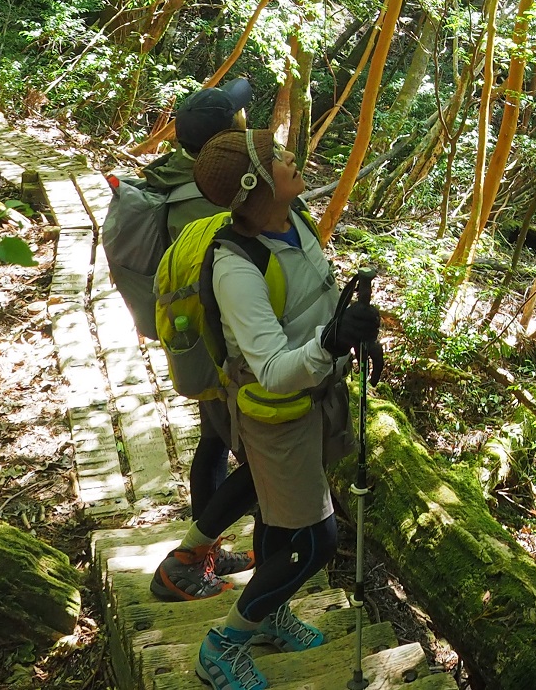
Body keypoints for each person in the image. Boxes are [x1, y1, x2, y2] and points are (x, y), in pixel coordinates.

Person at [189, 128, 380, 690]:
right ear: (254, 185)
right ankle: (221, 647)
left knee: (281, 519)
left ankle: (269, 614)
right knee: (314, 539)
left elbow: (313, 298)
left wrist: (355, 332)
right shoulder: (236, 268)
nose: (290, 157)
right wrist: (331, 340)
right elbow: (271, 369)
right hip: (275, 412)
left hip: (311, 400)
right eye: (275, 158)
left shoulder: (293, 220)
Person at [143, 80, 262, 603]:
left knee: (216, 443)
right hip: (219, 348)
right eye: (237, 117)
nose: (244, 119)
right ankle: (189, 560)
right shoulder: (204, 197)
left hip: (198, 337)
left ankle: (206, 551)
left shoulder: (173, 178)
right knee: (250, 456)